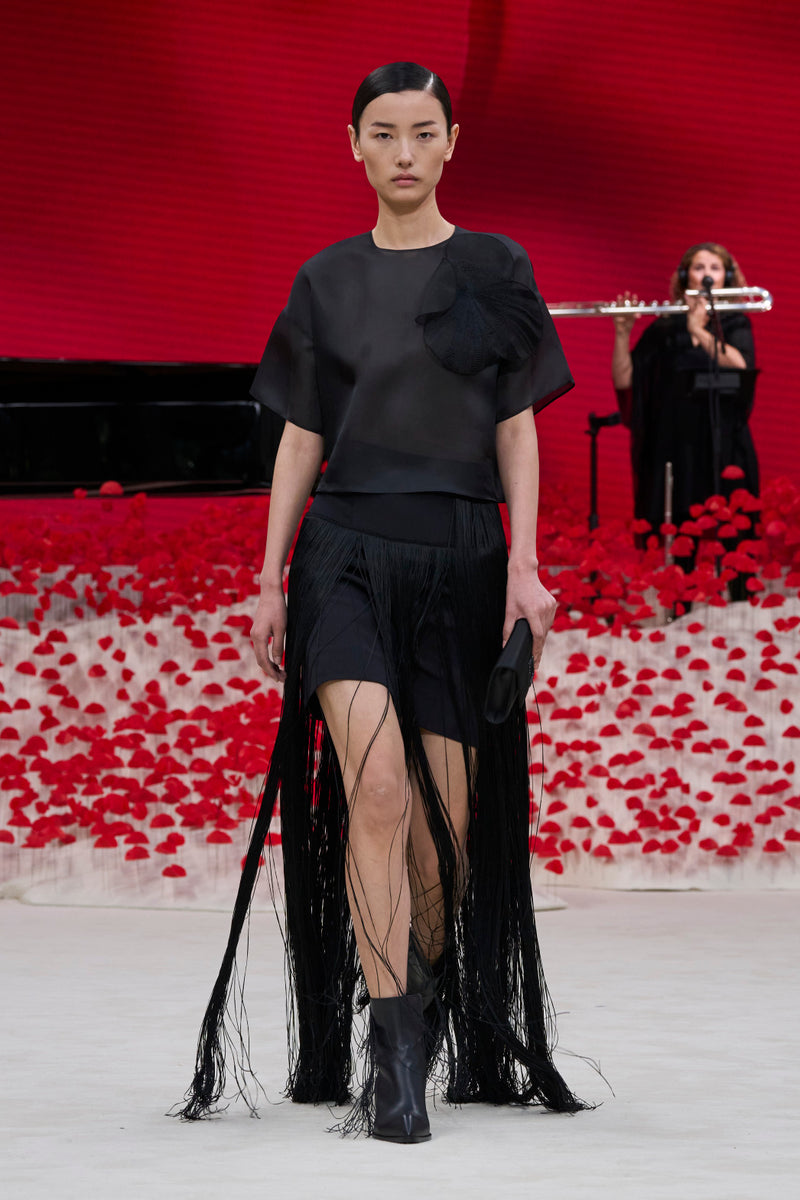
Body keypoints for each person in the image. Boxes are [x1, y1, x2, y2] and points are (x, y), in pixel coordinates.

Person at [176, 61, 586, 1142]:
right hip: (346, 555)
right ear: (352, 145)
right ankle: (394, 1054)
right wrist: (268, 579)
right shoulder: (324, 279)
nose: (404, 152)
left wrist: (524, 567)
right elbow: (300, 435)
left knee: (446, 830)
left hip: (461, 558)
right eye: (383, 133)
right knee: (376, 789)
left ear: (450, 142)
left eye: (423, 132)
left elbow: (515, 427)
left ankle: (416, 1002)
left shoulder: (496, 265)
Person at [611, 243, 759, 539]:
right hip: (674, 446)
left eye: (715, 268)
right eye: (699, 268)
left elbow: (742, 365)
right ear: (685, 276)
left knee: (731, 538)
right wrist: (622, 334)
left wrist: (699, 331)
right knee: (677, 536)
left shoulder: (736, 322)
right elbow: (625, 380)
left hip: (724, 444)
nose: (707, 275)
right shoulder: (665, 328)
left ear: (727, 277)